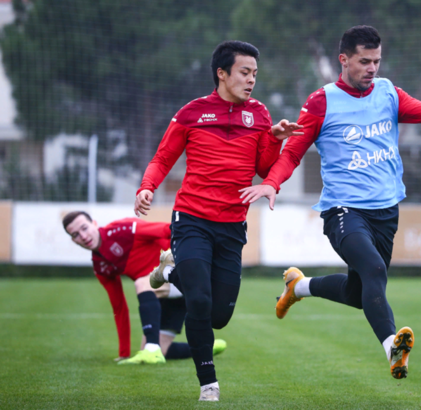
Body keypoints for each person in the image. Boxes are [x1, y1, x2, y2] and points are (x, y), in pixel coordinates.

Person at [239, 25, 421, 380]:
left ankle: (299, 287)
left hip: (386, 211)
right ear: (343, 60)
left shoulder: (388, 93)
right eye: (364, 61)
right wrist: (271, 183)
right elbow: (293, 153)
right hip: (343, 210)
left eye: (376, 61)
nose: (372, 68)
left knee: (358, 294)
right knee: (374, 269)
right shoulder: (321, 102)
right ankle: (392, 348)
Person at [134, 40, 302, 401]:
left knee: (218, 316)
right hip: (192, 219)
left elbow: (263, 168)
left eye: (255, 73)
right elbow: (162, 159)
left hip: (232, 226)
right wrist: (147, 187)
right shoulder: (192, 112)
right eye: (244, 72)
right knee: (198, 300)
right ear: (222, 74)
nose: (251, 80)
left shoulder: (259, 114)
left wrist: (275, 139)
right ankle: (208, 385)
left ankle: (168, 270)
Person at [63, 211, 227, 364]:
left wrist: (202, 257)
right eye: (75, 234)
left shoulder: (124, 230)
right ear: (73, 240)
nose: (83, 236)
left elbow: (168, 229)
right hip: (168, 293)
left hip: (187, 273)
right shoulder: (100, 266)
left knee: (143, 282)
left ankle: (152, 349)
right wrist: (124, 352)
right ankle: (205, 347)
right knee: (162, 349)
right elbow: (119, 307)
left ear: (94, 223)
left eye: (84, 228)